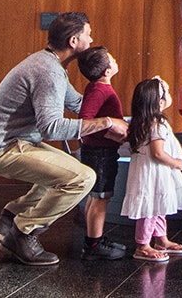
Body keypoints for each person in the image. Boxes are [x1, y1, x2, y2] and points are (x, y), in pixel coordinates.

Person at [0, 12, 129, 266]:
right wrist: (107, 122)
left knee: (63, 170)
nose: (92, 38)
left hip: (13, 141)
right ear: (74, 41)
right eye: (88, 34)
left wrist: (125, 120)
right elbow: (52, 128)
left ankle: (11, 216)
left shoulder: (50, 64)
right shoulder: (49, 72)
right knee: (83, 178)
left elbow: (78, 103)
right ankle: (23, 233)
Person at [120, 77, 182, 263]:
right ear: (159, 102)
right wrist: (176, 162)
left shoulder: (143, 121)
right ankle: (142, 245)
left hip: (153, 173)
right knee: (149, 207)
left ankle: (161, 240)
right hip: (153, 172)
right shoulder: (156, 124)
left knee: (157, 205)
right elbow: (157, 153)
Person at [76, 46, 126, 261]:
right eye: (112, 58)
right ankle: (93, 246)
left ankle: (93, 240)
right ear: (106, 70)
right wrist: (112, 132)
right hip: (100, 153)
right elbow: (86, 120)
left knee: (95, 197)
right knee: (101, 199)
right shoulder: (99, 90)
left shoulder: (97, 88)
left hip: (100, 151)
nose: (116, 60)